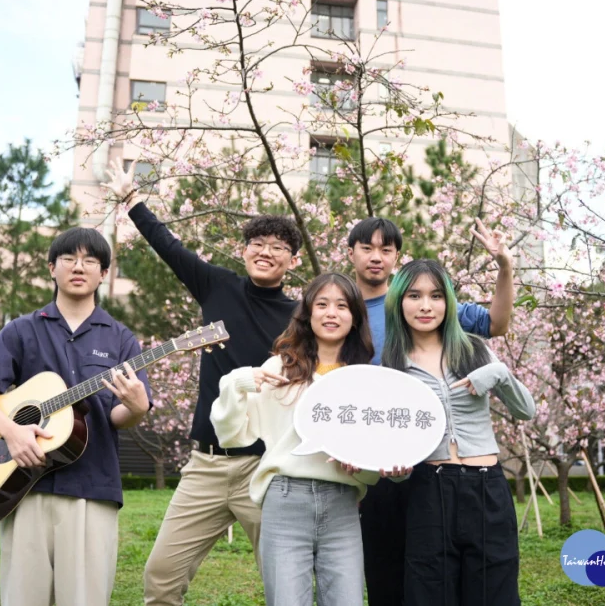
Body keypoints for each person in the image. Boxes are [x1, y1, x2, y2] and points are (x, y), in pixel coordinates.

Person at [104, 158, 303, 605]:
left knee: (286, 587)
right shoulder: (218, 286)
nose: (265, 251)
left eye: (276, 246)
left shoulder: (301, 317)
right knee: (160, 578)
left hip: (266, 467)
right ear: (245, 250)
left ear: (293, 259)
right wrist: (132, 201)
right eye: (257, 243)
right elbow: (169, 247)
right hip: (206, 465)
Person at [0, 227, 153, 606]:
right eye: (69, 259)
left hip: (92, 489)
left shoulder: (120, 339)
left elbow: (119, 417)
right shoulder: (22, 330)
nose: (79, 267)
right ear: (52, 268)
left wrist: (137, 407)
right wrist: (10, 431)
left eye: (90, 261)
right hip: (25, 487)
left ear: (103, 274)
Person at [211, 272, 411, 606]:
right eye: (322, 304)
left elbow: (371, 464)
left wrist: (384, 467)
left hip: (343, 506)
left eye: (342, 306)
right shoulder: (280, 368)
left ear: (355, 317)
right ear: (307, 313)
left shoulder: (366, 381)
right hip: (286, 500)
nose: (331, 313)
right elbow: (231, 434)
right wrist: (240, 382)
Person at [348, 216, 515, 605]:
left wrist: (505, 266)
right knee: (392, 573)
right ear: (350, 252)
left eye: (385, 250)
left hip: (438, 465)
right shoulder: (341, 308)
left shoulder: (430, 303)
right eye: (367, 248)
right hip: (387, 456)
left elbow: (497, 322)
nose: (376, 257)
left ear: (396, 258)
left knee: (456, 577)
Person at [383, 259, 535, 606]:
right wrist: (394, 474)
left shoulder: (475, 349)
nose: (425, 306)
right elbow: (391, 446)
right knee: (429, 591)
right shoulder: (392, 365)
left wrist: (497, 373)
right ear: (398, 302)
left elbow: (526, 410)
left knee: (494, 589)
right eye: (414, 295)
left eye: (436, 296)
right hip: (428, 489)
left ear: (449, 302)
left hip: (486, 488)